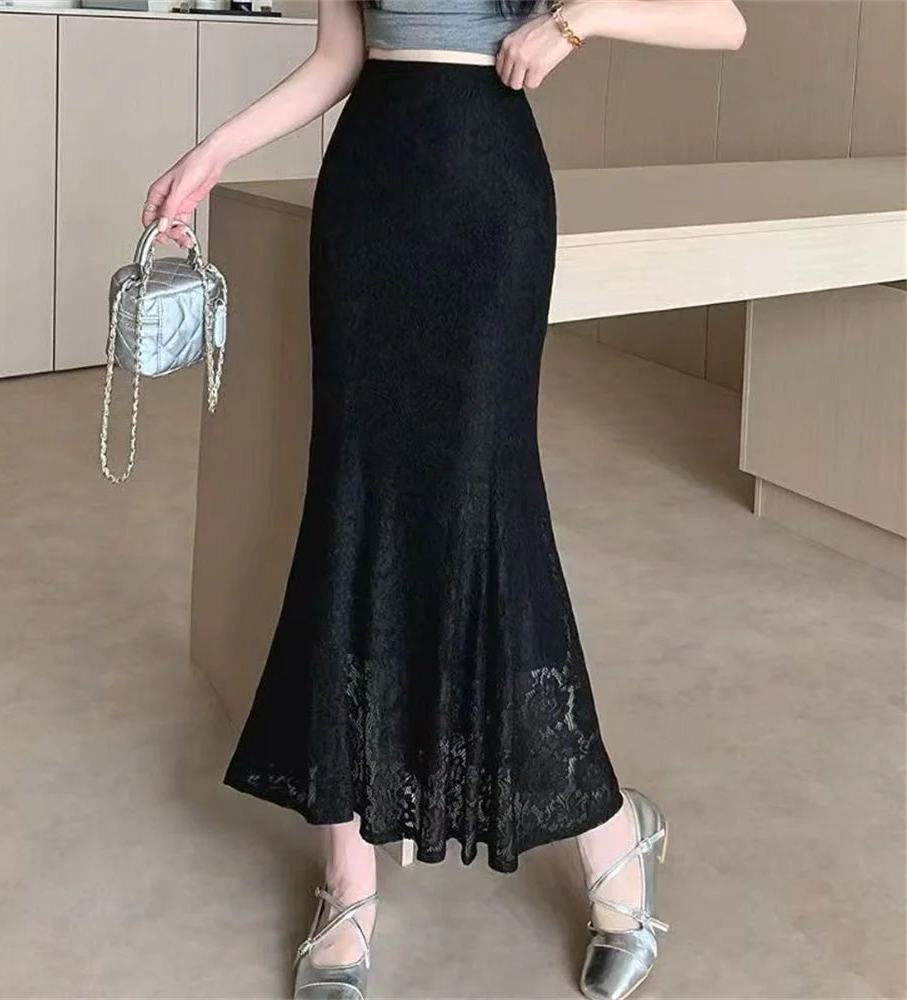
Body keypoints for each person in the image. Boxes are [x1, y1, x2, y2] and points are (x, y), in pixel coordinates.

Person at [143, 2, 746, 997]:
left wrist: (577, 21)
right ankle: (349, 879)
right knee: (349, 504)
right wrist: (213, 153)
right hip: (369, 195)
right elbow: (340, 55)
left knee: (486, 513)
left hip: (487, 197)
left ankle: (611, 832)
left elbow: (722, 22)